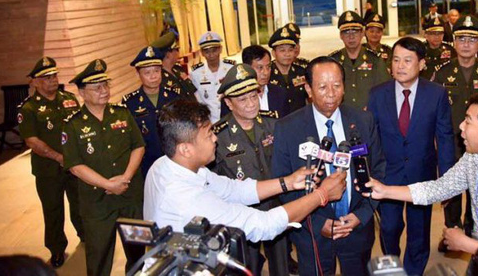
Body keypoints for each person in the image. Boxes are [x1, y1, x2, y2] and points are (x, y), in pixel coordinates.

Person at [360, 90, 478, 273]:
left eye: (468, 121)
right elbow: (438, 188)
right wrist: (385, 191)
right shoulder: (474, 158)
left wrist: (468, 245)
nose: (461, 126)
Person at [143, 98, 347, 241]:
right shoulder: (188, 201)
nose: (215, 139)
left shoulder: (165, 165)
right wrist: (322, 194)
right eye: (208, 135)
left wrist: (288, 182)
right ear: (185, 149)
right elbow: (263, 225)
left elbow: (233, 190)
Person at [272, 56, 386, 276]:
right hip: (312, 232)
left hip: (356, 228)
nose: (331, 93)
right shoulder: (287, 128)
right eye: (322, 87)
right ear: (308, 89)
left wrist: (361, 215)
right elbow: (283, 184)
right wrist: (317, 222)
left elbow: (378, 169)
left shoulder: (363, 121)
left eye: (337, 85)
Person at [367, 37, 455, 275]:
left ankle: (413, 271)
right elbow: (371, 138)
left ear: (422, 64)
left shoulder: (436, 94)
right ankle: (393, 266)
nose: (400, 66)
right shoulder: (377, 94)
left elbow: (445, 138)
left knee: (419, 231)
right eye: (396, 60)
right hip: (388, 176)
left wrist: (446, 182)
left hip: (422, 175)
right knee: (389, 228)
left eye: (407, 60)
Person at [62, 59, 145, 276]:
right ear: (82, 92)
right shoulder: (73, 125)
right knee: (98, 254)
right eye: (96, 87)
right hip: (96, 202)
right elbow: (75, 166)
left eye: (106, 85)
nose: (104, 91)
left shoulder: (122, 114)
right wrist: (108, 184)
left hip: (130, 196)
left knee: (138, 251)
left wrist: (125, 178)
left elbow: (138, 147)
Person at [432, 15, 478, 242]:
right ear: (454, 42)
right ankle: (451, 234)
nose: (466, 44)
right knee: (451, 192)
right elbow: (433, 111)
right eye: (461, 38)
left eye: (472, 40)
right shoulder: (441, 73)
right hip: (450, 142)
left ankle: (472, 235)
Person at [213, 64, 290, 275]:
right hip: (241, 214)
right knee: (248, 266)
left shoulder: (273, 123)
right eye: (242, 100)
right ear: (228, 103)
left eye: (253, 96)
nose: (250, 104)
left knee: (281, 266)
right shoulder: (218, 135)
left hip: (275, 207)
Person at [17, 57, 84, 268]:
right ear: (35, 82)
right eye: (46, 78)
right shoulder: (28, 109)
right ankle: (56, 250)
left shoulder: (70, 99)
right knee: (53, 210)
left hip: (74, 166)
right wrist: (58, 157)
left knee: (80, 204)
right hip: (48, 170)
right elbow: (32, 141)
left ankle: (86, 236)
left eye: (54, 76)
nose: (52, 80)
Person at [122, 46, 180, 178]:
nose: (153, 77)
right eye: (147, 73)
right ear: (138, 74)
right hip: (146, 163)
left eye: (156, 71)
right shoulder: (130, 102)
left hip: (174, 160)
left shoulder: (173, 96)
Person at [329, 10, 391, 111]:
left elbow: (386, 91)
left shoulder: (375, 60)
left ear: (362, 33)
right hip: (342, 119)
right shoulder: (333, 62)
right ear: (341, 36)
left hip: (369, 119)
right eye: (346, 32)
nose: (351, 36)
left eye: (355, 31)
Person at [221, 45, 289, 118]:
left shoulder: (280, 93)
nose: (266, 72)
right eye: (260, 68)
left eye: (268, 66)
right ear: (247, 68)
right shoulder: (233, 98)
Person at [191, 31, 236, 123]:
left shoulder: (231, 68)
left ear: (220, 49)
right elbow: (197, 99)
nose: (211, 54)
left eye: (214, 50)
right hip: (209, 121)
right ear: (202, 53)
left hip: (231, 118)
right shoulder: (196, 73)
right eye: (206, 51)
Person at [268, 26, 308, 114]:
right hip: (277, 123)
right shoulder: (268, 74)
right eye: (282, 50)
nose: (287, 54)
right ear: (274, 53)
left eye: (290, 50)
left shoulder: (302, 72)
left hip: (299, 121)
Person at [155, 32, 197, 97]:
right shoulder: (160, 79)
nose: (178, 52)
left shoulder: (178, 68)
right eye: (176, 49)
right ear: (168, 54)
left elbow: (191, 90)